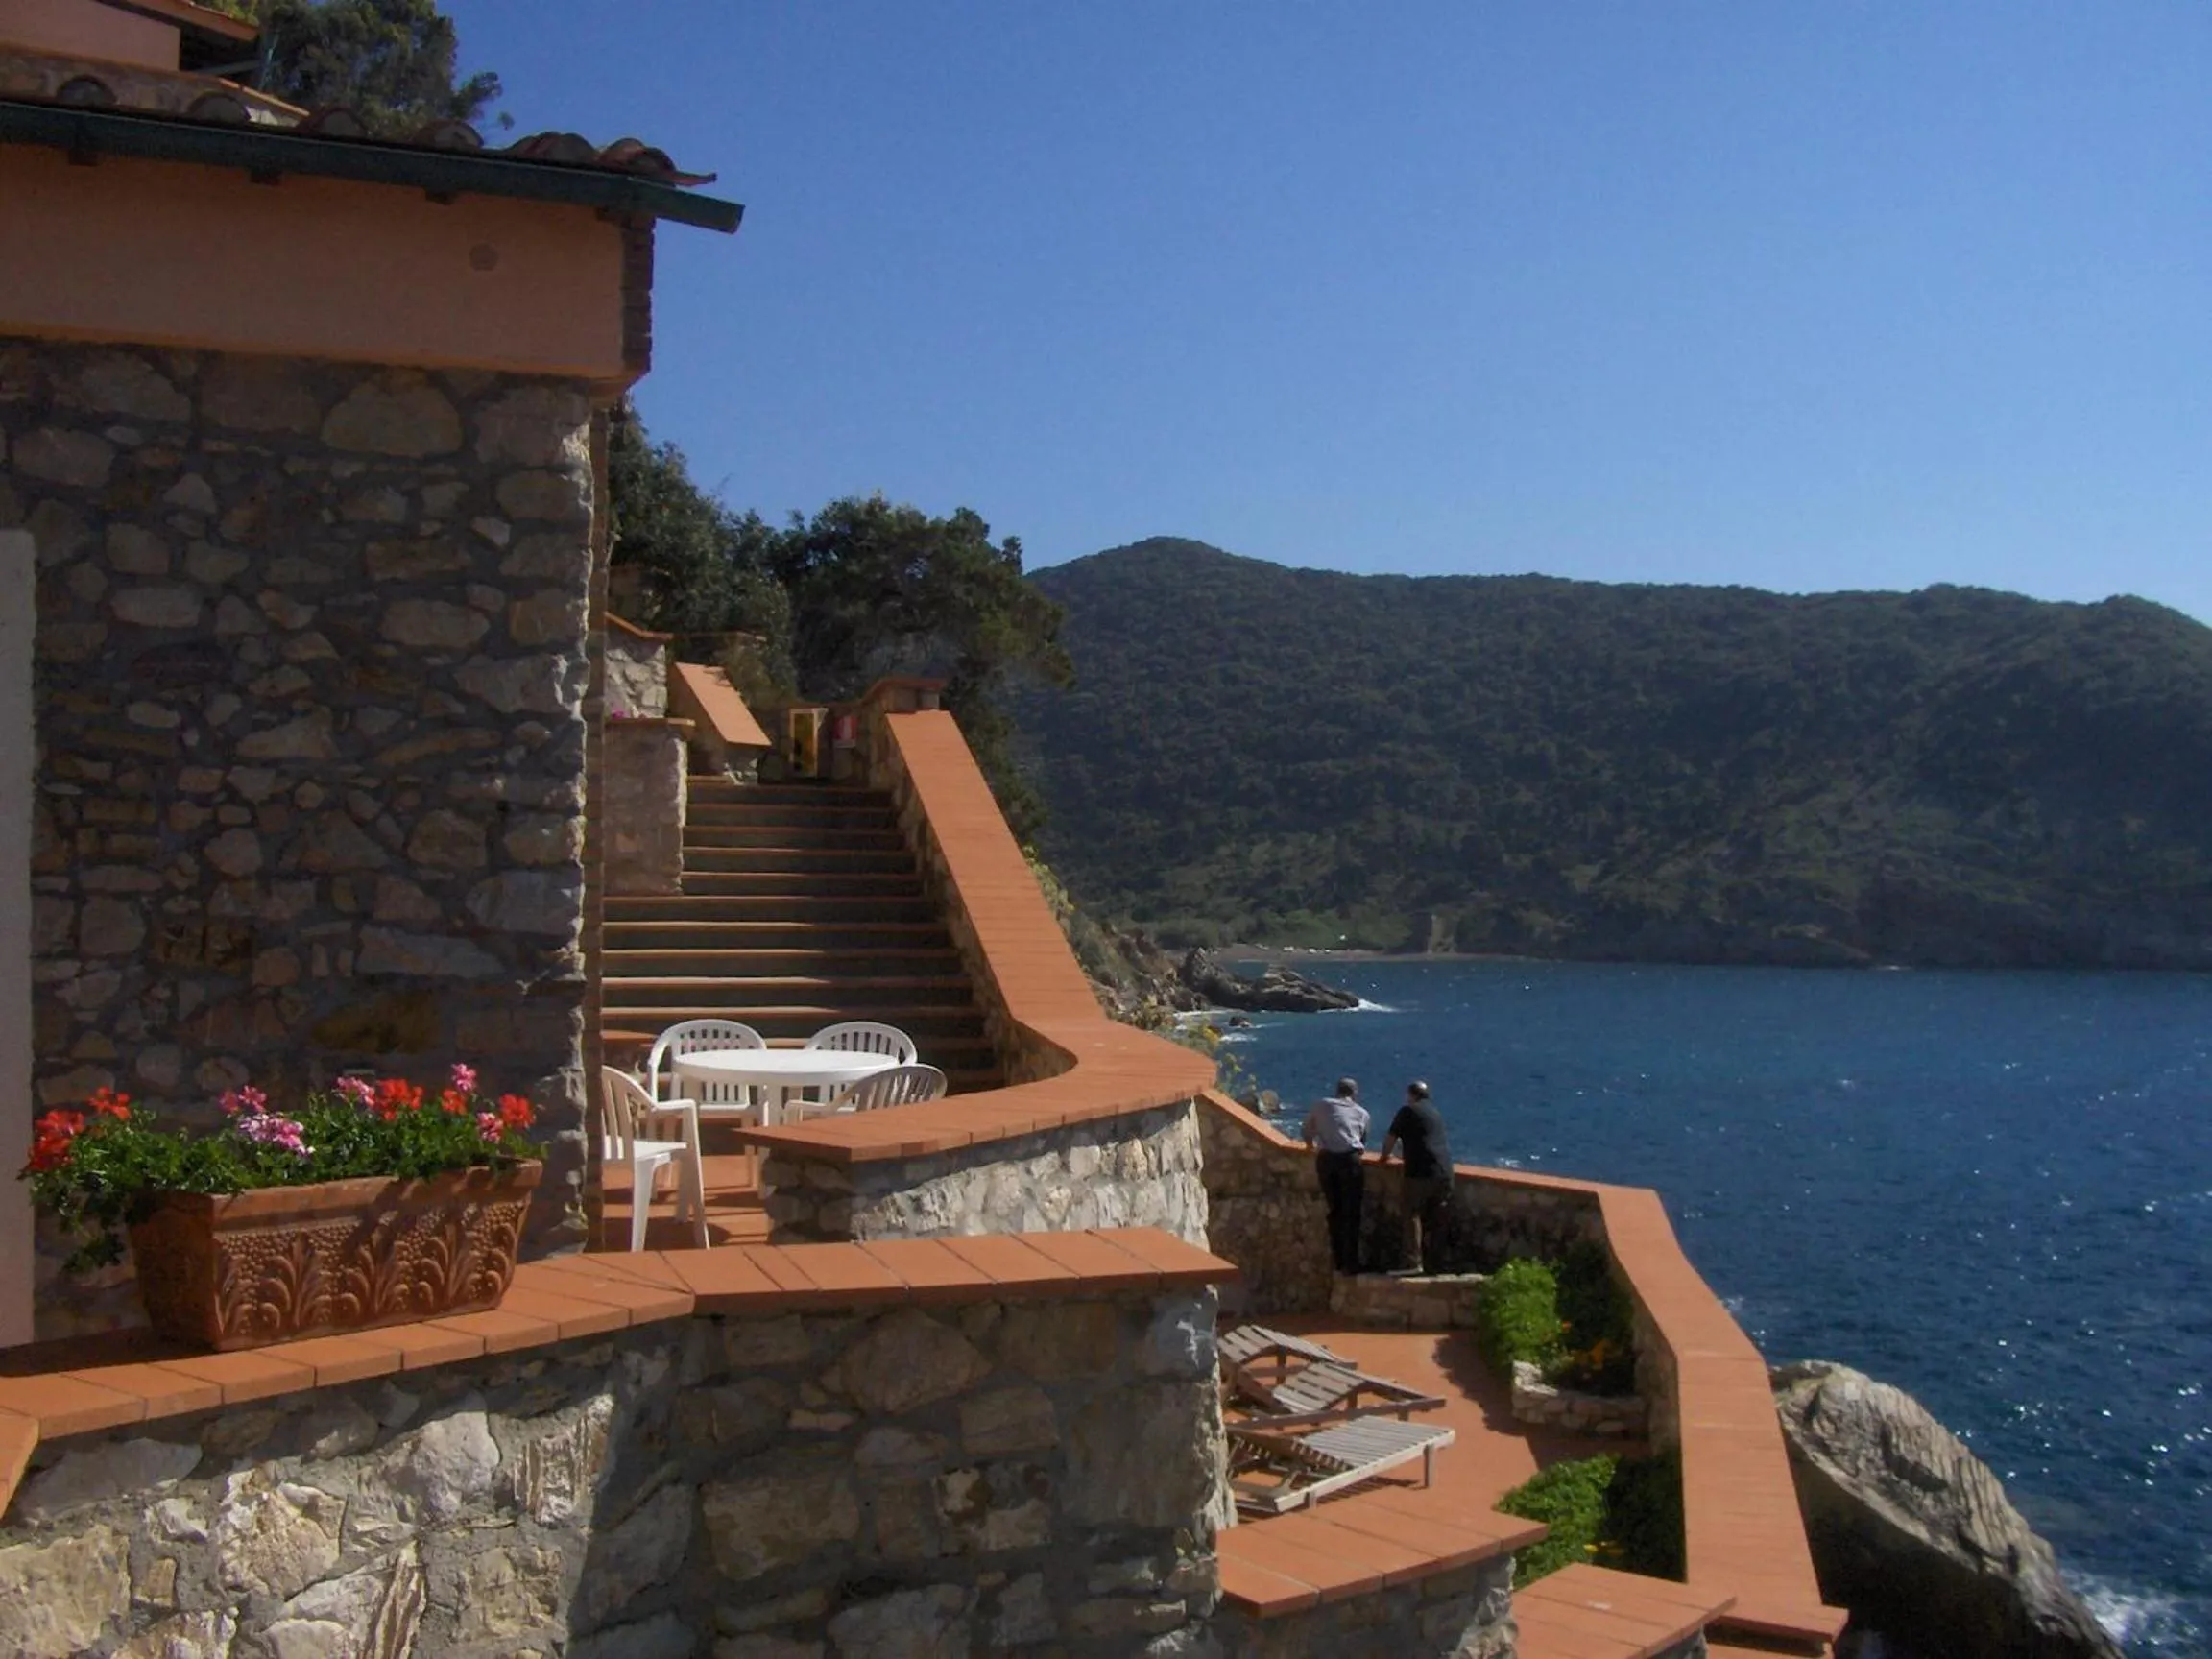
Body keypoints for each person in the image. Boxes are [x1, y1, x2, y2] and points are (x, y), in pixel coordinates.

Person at [1382, 1079, 1452, 1274]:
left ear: (1410, 1095)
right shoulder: (1435, 1113)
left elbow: (1390, 1139)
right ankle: (1437, 1264)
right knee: (1438, 1217)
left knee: (1411, 1212)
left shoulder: (1407, 1111)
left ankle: (1412, 1263)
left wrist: (1384, 1157)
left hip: (1420, 1171)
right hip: (1444, 1171)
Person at [1302, 1076, 1369, 1274]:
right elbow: (1362, 1141)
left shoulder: (1321, 1105)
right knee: (1352, 1212)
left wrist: (1309, 1147)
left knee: (1335, 1210)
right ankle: (1351, 1262)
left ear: (1337, 1091)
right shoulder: (1362, 1113)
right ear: (1354, 1094)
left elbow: (1306, 1131)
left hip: (1327, 1161)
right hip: (1350, 1161)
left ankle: (1338, 1260)